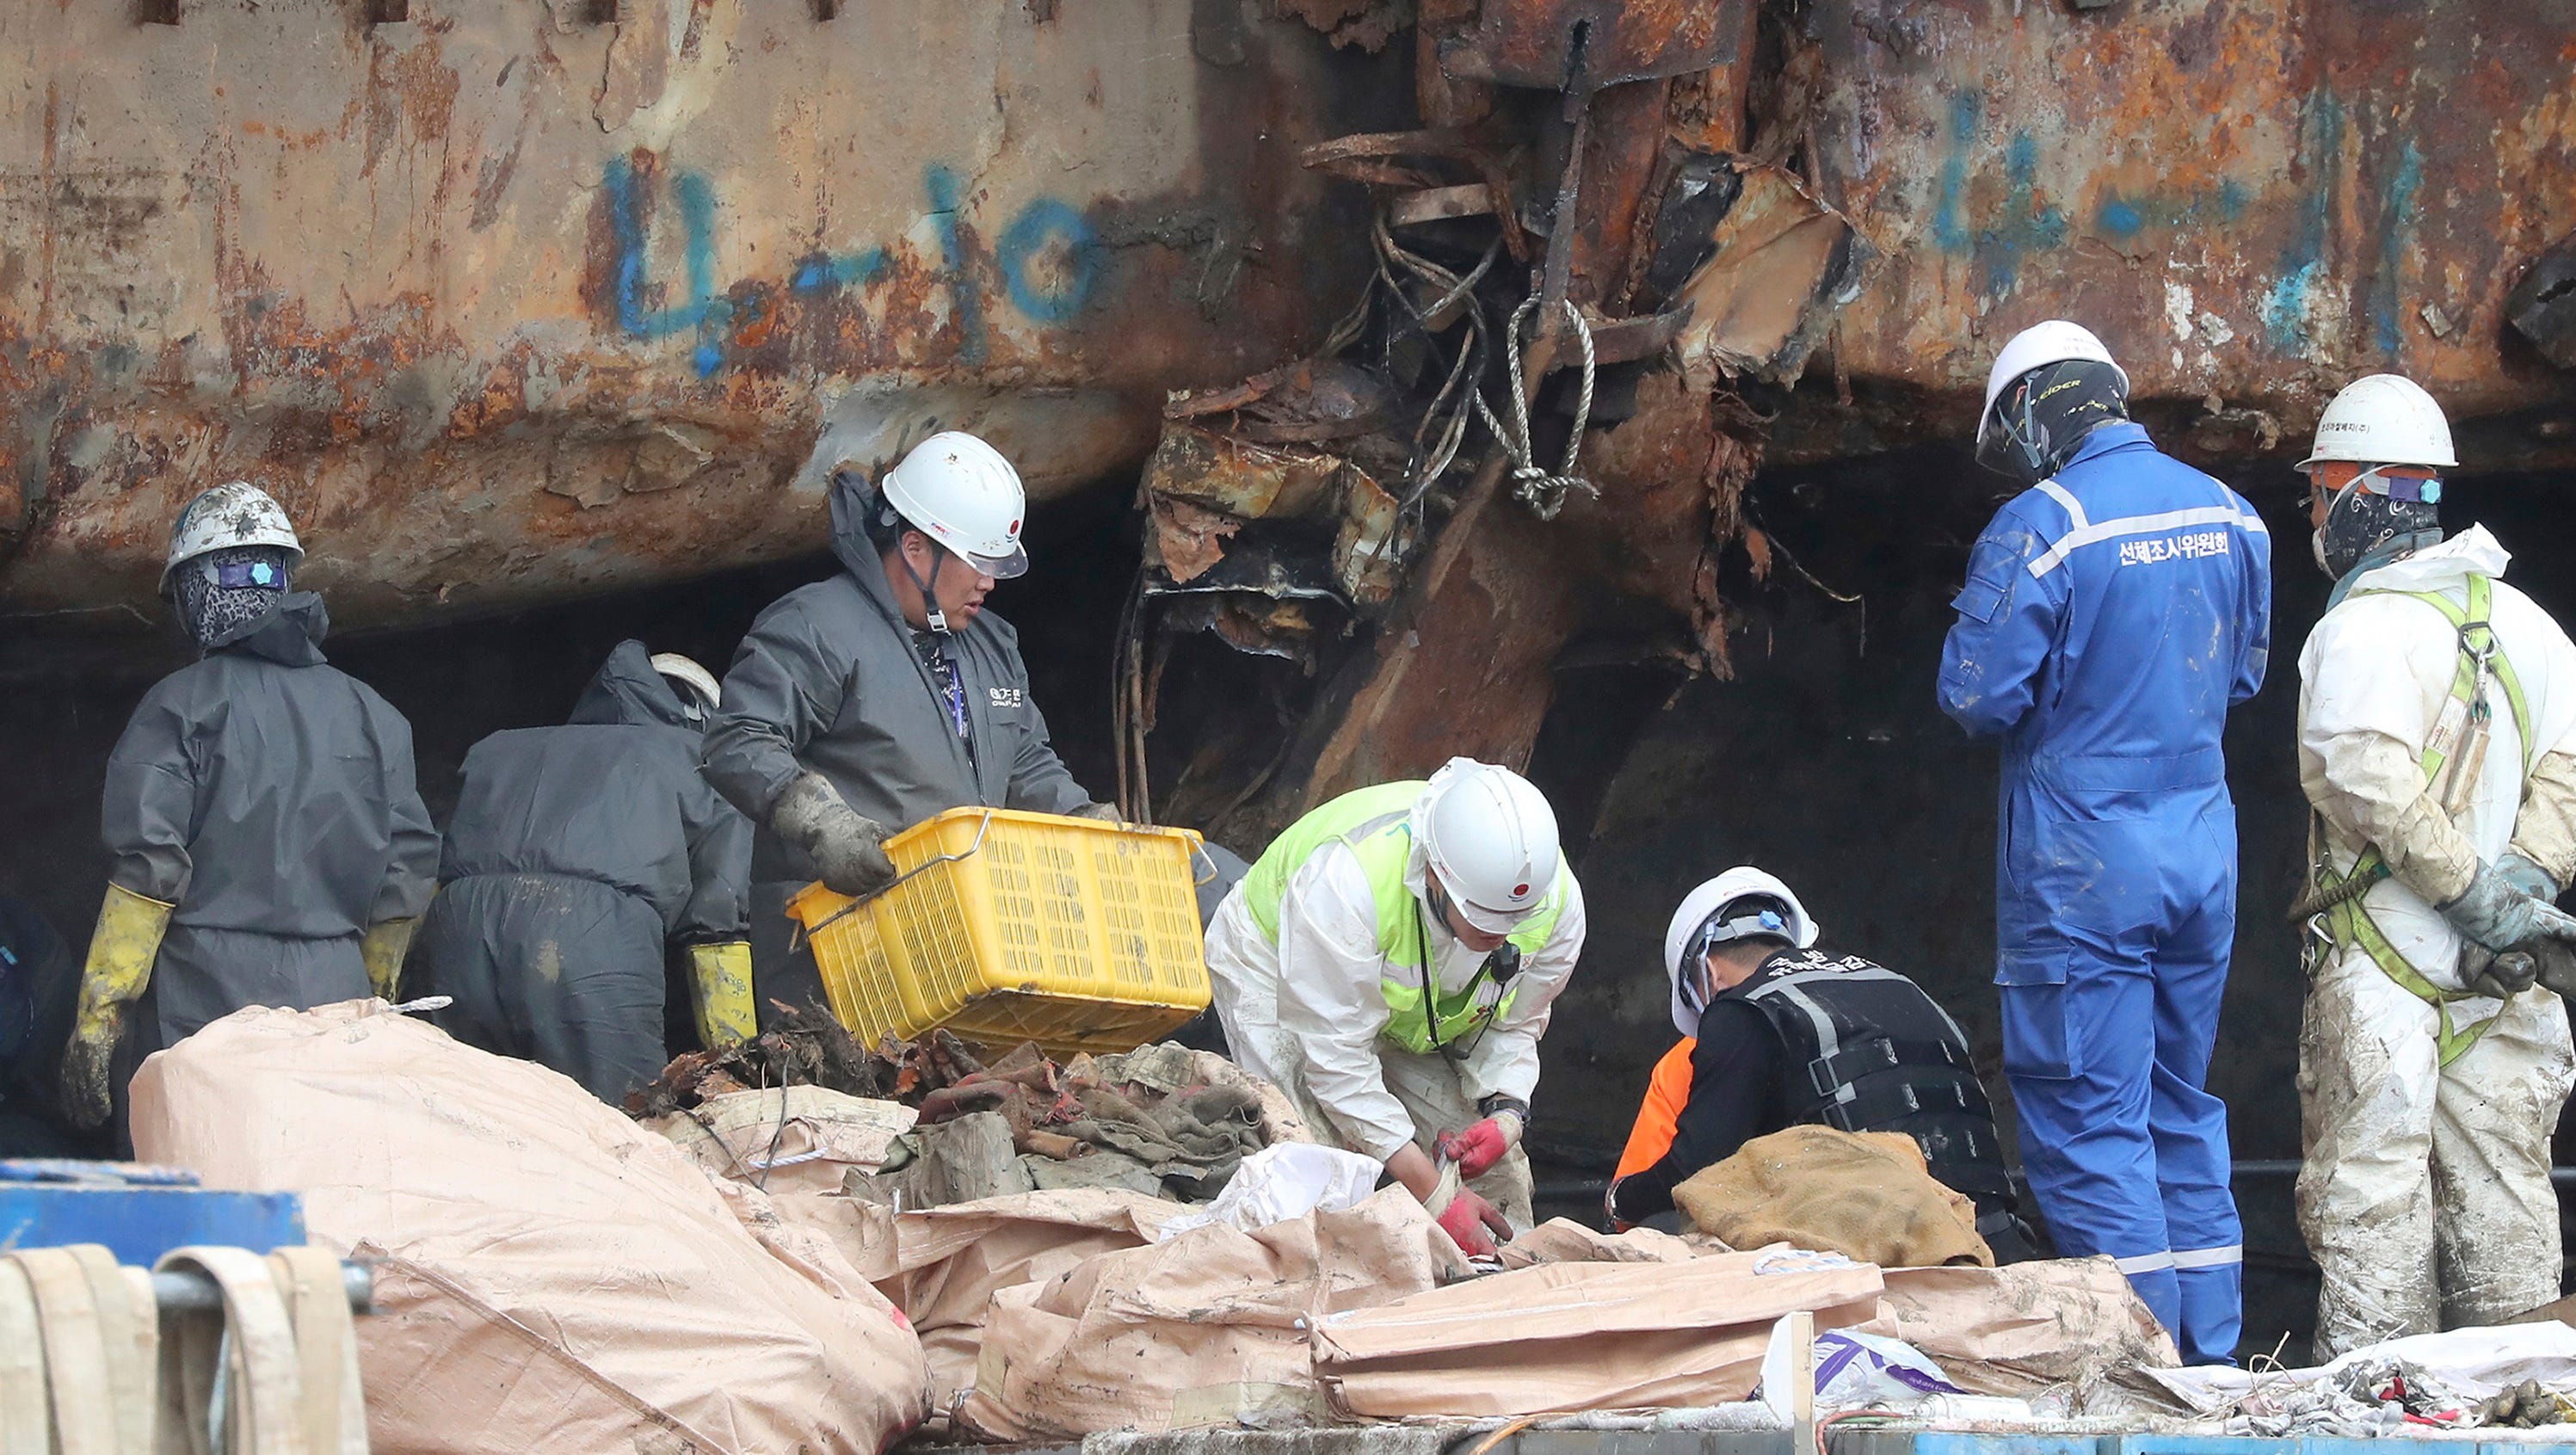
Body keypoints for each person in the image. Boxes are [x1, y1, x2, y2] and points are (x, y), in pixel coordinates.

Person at [1937, 321, 2271, 1366]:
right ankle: (2214, 1361)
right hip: (2199, 856)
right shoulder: (2236, 515)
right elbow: (2244, 677)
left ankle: (2141, 1373)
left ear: (2037, 409)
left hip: (2084, 874)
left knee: (2091, 1119)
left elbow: (1975, 696)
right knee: (2178, 1102)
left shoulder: (2045, 524)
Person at [2290, 374, 2576, 1356]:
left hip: (2387, 982)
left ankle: (2379, 1417)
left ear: (2365, 492)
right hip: (2509, 984)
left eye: (2323, 490)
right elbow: (2569, 770)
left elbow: (2361, 774)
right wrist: (2520, 897)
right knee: (2510, 1235)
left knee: (2373, 1231)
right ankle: (2526, 1418)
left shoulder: (2359, 628)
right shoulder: (2533, 623)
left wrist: (2483, 902)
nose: (2317, 512)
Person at [61, 481, 439, 1131]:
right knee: (323, 1196)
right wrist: (373, 1002)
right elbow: (405, 878)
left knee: (206, 1192)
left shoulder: (179, 705)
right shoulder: (377, 717)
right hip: (334, 996)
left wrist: (99, 1016)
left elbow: (148, 868)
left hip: (205, 1002)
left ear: (195, 591)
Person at [702, 432, 1116, 1024]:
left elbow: (1025, 759)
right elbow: (738, 737)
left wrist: (1081, 819)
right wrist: (822, 823)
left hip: (962, 948)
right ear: (917, 548)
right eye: (977, 562)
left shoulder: (992, 644)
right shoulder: (819, 626)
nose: (989, 583)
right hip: (840, 950)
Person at [1201, 759, 1587, 1255]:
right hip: (1275, 961)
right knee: (1323, 1170)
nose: (1501, 942)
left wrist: (1507, 1115)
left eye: (1511, 926)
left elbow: (1513, 1025)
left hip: (1410, 1009)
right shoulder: (1349, 885)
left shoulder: (1554, 903)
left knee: (1501, 1175)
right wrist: (1437, 1195)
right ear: (1433, 876)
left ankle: (1503, 1287)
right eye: (1485, 926)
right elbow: (1337, 1065)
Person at [1606, 868, 2035, 1261]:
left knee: (1661, 1228)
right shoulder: (1899, 986)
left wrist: (1623, 1199)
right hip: (1994, 1235)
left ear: (1708, 973)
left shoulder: (1740, 1011)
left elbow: (1694, 1170)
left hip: (1887, 1245)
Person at [416, 642, 753, 1103]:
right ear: (702, 718)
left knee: (464, 1115)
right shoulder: (700, 762)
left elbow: (425, 857)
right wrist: (734, 1061)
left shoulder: (500, 747)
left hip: (458, 929)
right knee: (622, 1129)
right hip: (591, 939)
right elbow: (719, 920)